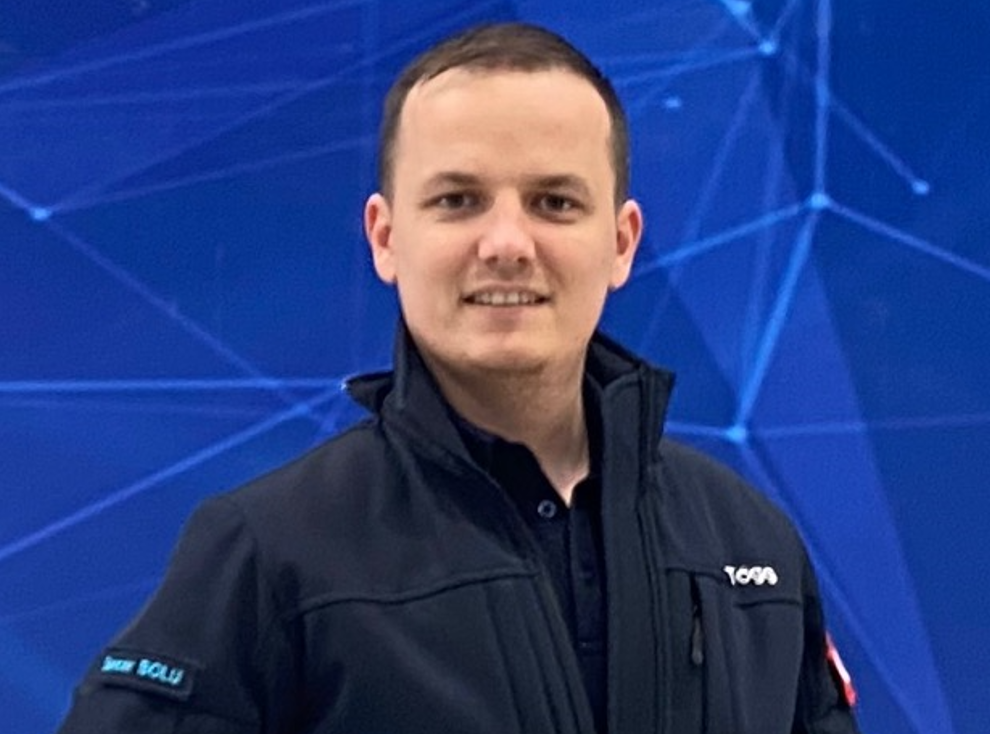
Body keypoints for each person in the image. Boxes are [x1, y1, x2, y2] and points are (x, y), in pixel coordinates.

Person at [57, 22, 860, 734]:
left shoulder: (750, 545)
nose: (507, 243)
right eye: (458, 200)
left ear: (621, 242)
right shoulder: (269, 553)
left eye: (554, 202)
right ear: (385, 237)